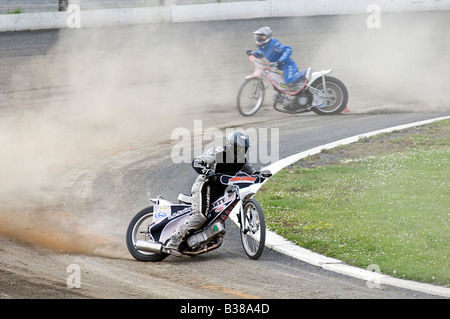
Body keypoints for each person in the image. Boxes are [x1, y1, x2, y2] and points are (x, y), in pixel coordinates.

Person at [164, 131, 260, 257]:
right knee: (200, 217)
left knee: (216, 220)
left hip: (219, 193)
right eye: (238, 148)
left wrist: (261, 174)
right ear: (231, 146)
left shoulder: (242, 160)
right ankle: (173, 242)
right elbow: (197, 161)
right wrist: (207, 171)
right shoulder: (218, 152)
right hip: (205, 186)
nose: (241, 151)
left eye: (244, 149)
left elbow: (252, 172)